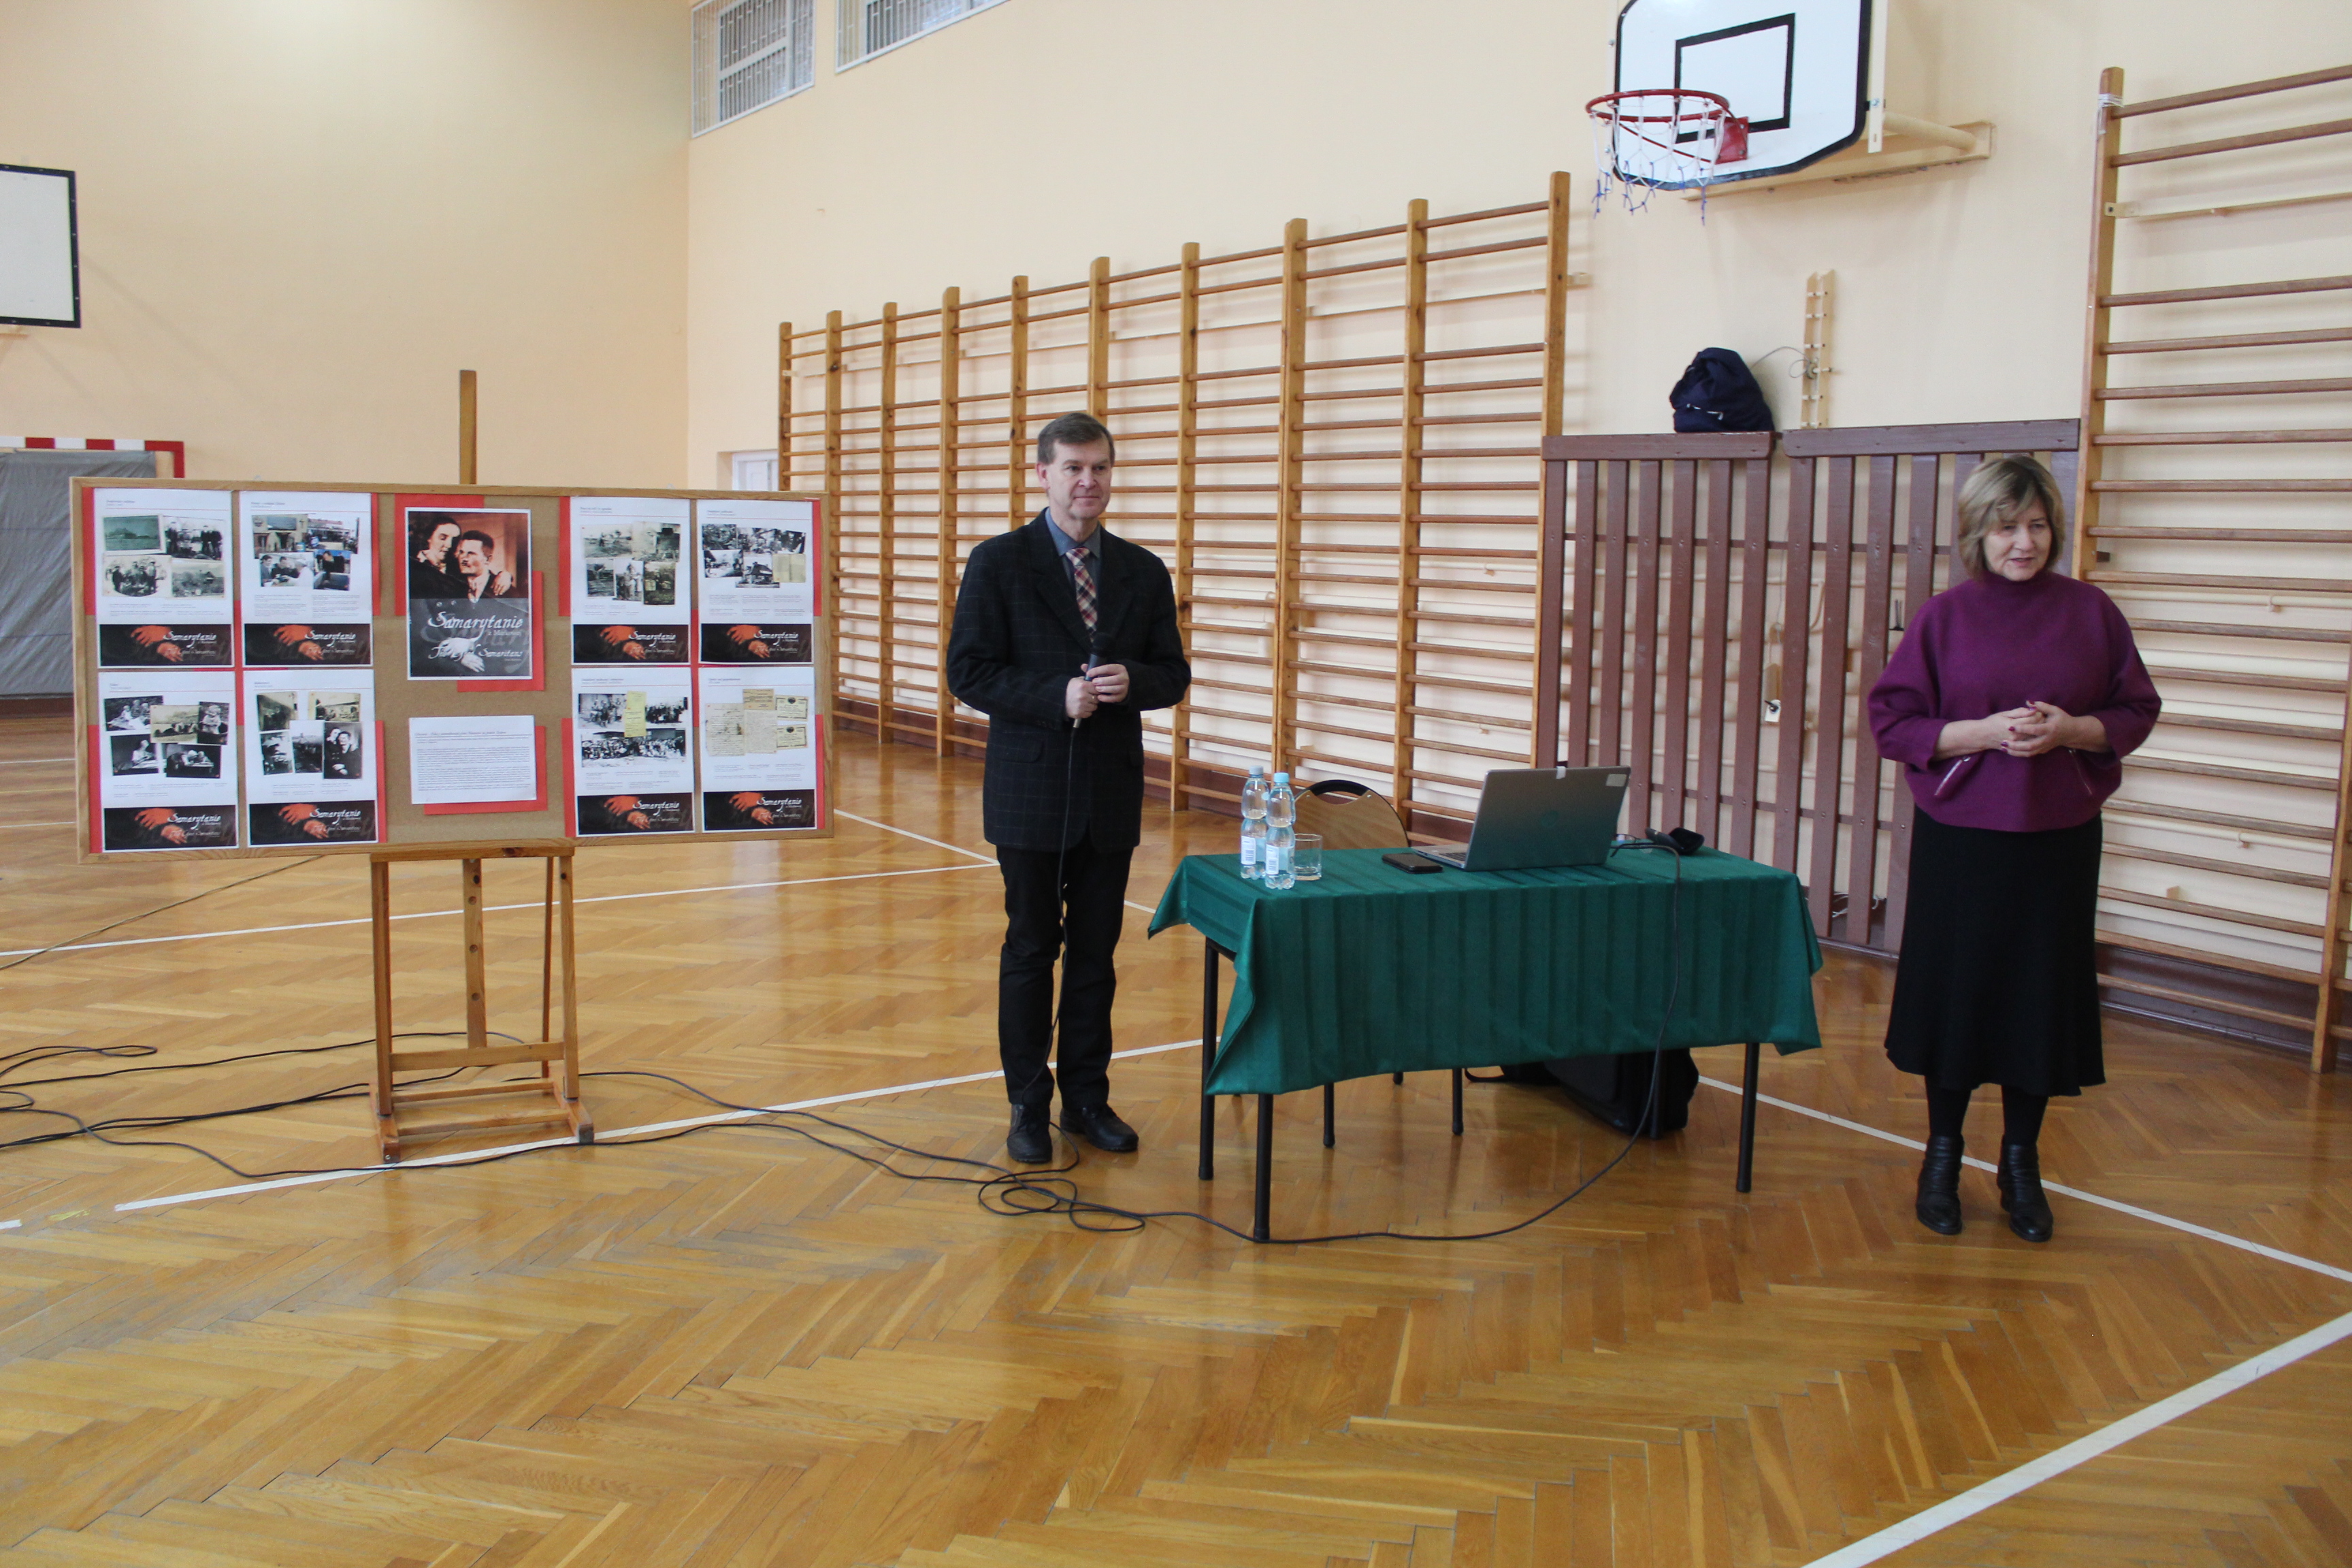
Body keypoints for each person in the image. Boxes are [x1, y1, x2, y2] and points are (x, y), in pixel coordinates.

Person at [1867, 455, 2160, 1243]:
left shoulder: (2092, 613)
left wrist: (2072, 730)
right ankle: (1941, 1156)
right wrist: (1984, 733)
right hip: (1962, 842)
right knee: (1959, 996)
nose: (2023, 542)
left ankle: (2021, 1163)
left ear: (2054, 529)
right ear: (1978, 532)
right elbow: (1894, 723)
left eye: (2035, 525)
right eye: (2006, 527)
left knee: (2038, 999)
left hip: (2058, 841)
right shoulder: (1944, 618)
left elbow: (2135, 709)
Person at [946, 411, 1191, 1164]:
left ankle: (1087, 1100)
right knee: (1031, 949)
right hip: (1030, 791)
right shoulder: (998, 562)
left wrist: (1132, 681)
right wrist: (1056, 696)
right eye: (1074, 468)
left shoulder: (1143, 570)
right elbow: (969, 671)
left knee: (1095, 955)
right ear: (1043, 474)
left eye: (1101, 468)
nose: (1089, 482)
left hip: (1109, 795)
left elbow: (1172, 673)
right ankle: (1028, 1104)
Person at [452, 530, 522, 600]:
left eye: (471, 553)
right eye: (461, 552)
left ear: (488, 559)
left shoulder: (507, 591)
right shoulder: (452, 585)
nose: (464, 558)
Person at [408, 517, 465, 600]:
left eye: (455, 540)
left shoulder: (459, 570)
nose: (449, 545)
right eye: (443, 538)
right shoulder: (411, 566)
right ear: (429, 537)